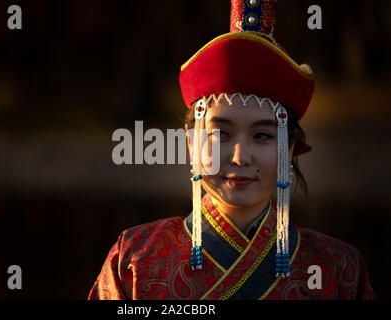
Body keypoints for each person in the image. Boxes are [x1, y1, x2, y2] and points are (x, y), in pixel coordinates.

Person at [89, 0, 376, 300]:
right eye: (221, 133)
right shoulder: (134, 262)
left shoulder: (340, 270)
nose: (240, 156)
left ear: (289, 148)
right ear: (191, 141)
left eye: (262, 136)